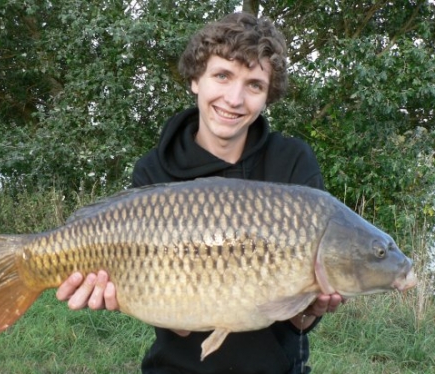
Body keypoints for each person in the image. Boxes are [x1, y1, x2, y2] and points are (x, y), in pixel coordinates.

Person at [56, 12, 344, 373]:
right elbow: (177, 322)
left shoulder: (291, 164)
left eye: (254, 84)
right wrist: (119, 293)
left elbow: (299, 324)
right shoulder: (154, 171)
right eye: (222, 76)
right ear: (195, 79)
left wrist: (311, 308)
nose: (234, 99)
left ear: (268, 95)